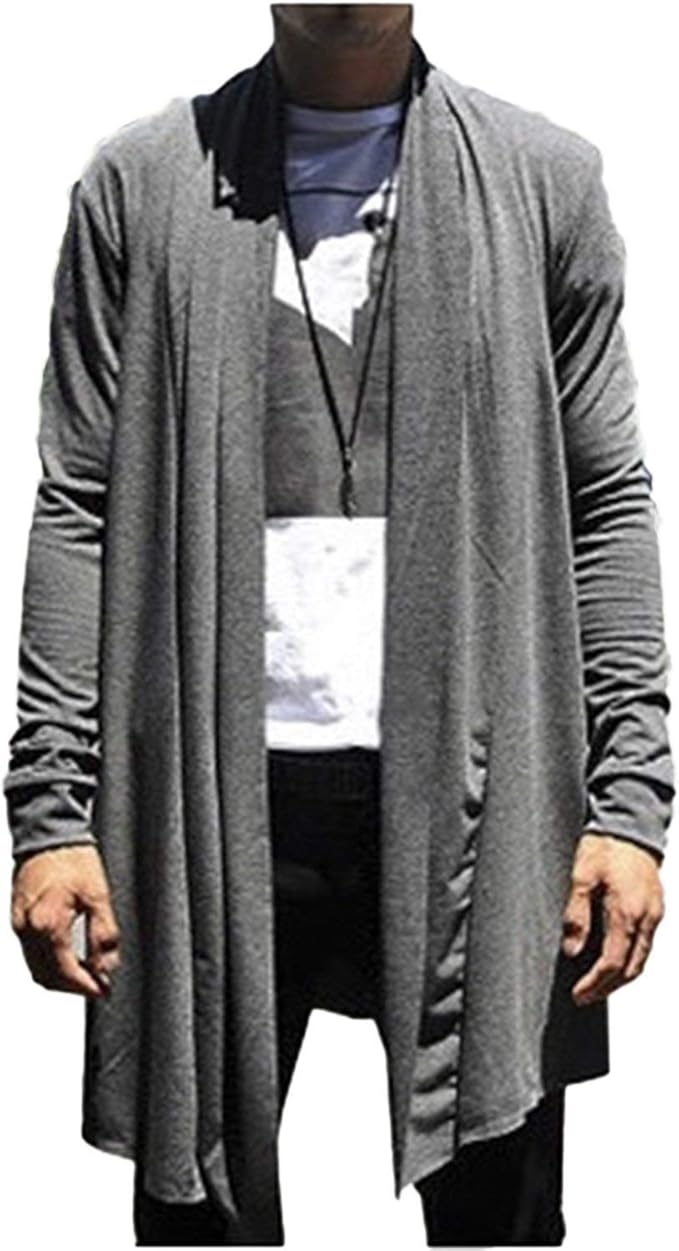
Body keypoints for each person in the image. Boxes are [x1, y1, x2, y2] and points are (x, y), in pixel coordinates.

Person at [4, 4, 673, 1246]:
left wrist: (630, 805)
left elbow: (604, 500)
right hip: (211, 804)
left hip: (483, 802)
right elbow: (79, 503)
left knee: (499, 1214)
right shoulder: (142, 187)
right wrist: (51, 813)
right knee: (199, 1212)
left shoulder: (543, 182)